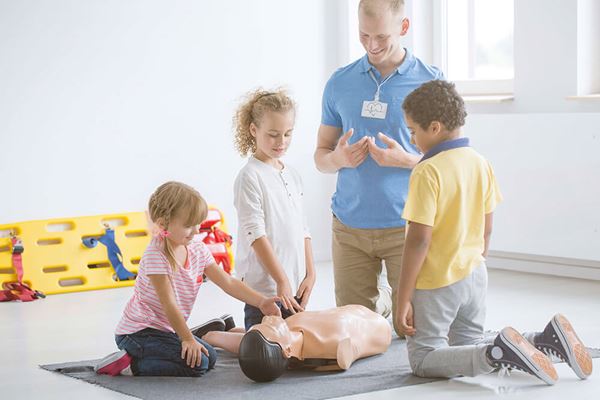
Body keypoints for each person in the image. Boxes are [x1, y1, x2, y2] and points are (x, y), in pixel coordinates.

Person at [396, 80, 593, 385]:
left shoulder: (427, 170)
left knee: (424, 358)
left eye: (412, 131)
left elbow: (419, 240)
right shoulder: (479, 162)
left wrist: (403, 297)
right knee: (468, 344)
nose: (411, 139)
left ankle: (496, 354)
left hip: (437, 281)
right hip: (475, 274)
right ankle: (546, 340)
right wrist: (476, 260)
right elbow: (487, 227)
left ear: (433, 128)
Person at [313, 0, 443, 335]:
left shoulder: (431, 82)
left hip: (409, 227)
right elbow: (320, 156)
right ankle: (382, 300)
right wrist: (337, 159)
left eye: (381, 36)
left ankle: (388, 298)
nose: (372, 45)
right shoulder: (339, 83)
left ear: (403, 28)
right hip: (349, 229)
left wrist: (407, 160)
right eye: (364, 34)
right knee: (356, 331)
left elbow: (450, 163)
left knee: (412, 330)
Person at [94, 181, 281, 377]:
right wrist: (187, 339)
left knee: (211, 359)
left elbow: (228, 282)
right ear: (163, 224)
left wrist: (261, 301)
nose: (196, 230)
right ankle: (130, 365)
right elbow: (169, 304)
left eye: (198, 223)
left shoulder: (197, 249)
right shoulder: (155, 256)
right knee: (199, 364)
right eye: (188, 225)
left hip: (165, 330)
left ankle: (184, 338)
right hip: (138, 333)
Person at [233, 88, 315, 330]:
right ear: (253, 130)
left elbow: (304, 228)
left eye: (288, 134)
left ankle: (227, 332)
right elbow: (255, 234)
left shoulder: (292, 175)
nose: (282, 142)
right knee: (267, 354)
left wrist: (310, 274)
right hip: (266, 290)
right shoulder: (250, 176)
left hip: (294, 285)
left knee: (296, 349)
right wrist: (281, 280)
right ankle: (216, 334)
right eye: (273, 134)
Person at [197, 304, 392, 382]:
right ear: (287, 350)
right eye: (271, 327)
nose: (267, 319)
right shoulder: (332, 345)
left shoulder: (287, 332)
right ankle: (209, 336)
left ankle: (217, 333)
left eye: (264, 323)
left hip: (357, 312)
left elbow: (264, 343)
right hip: (378, 322)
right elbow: (345, 356)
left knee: (254, 341)